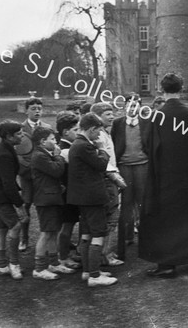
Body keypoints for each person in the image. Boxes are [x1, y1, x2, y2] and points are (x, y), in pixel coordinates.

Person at [139, 73, 188, 278]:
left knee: (167, 221)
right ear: (181, 89)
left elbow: (148, 147)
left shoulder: (157, 116)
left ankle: (168, 266)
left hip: (165, 178)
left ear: (162, 89)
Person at [67, 112, 118, 287]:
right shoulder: (84, 146)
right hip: (92, 197)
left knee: (87, 233)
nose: (99, 135)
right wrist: (102, 148)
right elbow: (102, 164)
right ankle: (95, 276)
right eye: (98, 132)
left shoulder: (77, 144)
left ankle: (88, 271)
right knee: (98, 234)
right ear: (91, 129)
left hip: (82, 197)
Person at [0, 120, 28, 280]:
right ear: (9, 136)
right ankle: (13, 265)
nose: (23, 135)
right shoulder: (4, 154)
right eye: (19, 134)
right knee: (15, 226)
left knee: (2, 229)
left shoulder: (6, 148)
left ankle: (1, 266)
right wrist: (20, 205)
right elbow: (8, 184)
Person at [30, 126, 76, 280]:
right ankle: (39, 268)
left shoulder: (43, 154)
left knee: (53, 231)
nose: (55, 142)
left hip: (52, 197)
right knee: (46, 233)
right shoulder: (39, 156)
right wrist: (59, 156)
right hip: (45, 200)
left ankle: (53, 263)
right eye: (52, 139)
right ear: (43, 141)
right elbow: (56, 171)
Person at [90, 102, 127, 267]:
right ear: (97, 117)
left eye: (112, 113)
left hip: (108, 178)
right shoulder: (98, 135)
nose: (112, 116)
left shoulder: (105, 132)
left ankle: (103, 253)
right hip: (107, 179)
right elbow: (102, 161)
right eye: (107, 114)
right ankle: (106, 254)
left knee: (109, 217)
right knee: (111, 217)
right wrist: (116, 178)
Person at [111, 94, 149, 248]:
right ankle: (126, 236)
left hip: (142, 165)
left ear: (140, 107)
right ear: (125, 107)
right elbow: (113, 143)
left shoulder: (146, 123)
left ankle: (145, 234)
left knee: (142, 201)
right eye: (130, 105)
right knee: (126, 202)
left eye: (135, 105)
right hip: (124, 166)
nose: (132, 108)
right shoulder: (118, 123)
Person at [15, 98, 52, 252]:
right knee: (26, 204)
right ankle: (24, 238)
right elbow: (16, 153)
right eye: (33, 108)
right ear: (26, 110)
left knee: (46, 204)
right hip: (27, 175)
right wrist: (27, 168)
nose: (37, 111)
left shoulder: (47, 127)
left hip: (43, 175)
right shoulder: (19, 129)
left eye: (39, 108)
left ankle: (49, 238)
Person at [55, 111, 82, 269]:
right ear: (66, 132)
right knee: (66, 227)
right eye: (76, 130)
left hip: (69, 194)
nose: (78, 133)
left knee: (67, 226)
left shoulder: (68, 147)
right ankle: (62, 258)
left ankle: (65, 254)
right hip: (67, 196)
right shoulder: (65, 150)